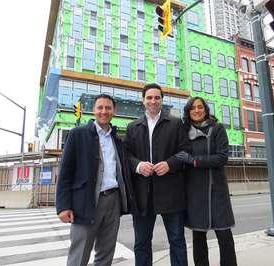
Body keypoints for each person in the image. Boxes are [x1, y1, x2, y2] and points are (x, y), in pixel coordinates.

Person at [56, 94, 137, 266]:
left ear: (113, 111)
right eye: (100, 107)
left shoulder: (117, 139)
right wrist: (63, 206)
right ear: (94, 110)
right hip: (85, 202)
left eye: (108, 108)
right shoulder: (78, 134)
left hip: (113, 201)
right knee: (79, 254)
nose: (104, 111)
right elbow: (65, 173)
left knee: (106, 254)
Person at [124, 83, 189, 266]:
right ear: (143, 100)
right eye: (149, 97)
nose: (153, 101)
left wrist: (170, 164)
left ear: (162, 100)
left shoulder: (176, 123)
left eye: (157, 97)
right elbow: (125, 156)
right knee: (142, 243)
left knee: (177, 240)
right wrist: (138, 166)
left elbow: (185, 151)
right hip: (143, 195)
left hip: (171, 192)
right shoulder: (132, 127)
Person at [175, 96, 237, 266]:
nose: (196, 110)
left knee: (224, 236)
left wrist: (195, 161)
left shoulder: (217, 129)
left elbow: (222, 157)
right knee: (198, 237)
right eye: (192, 108)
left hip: (217, 190)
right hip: (195, 192)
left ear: (206, 109)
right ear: (188, 112)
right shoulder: (184, 132)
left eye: (200, 107)